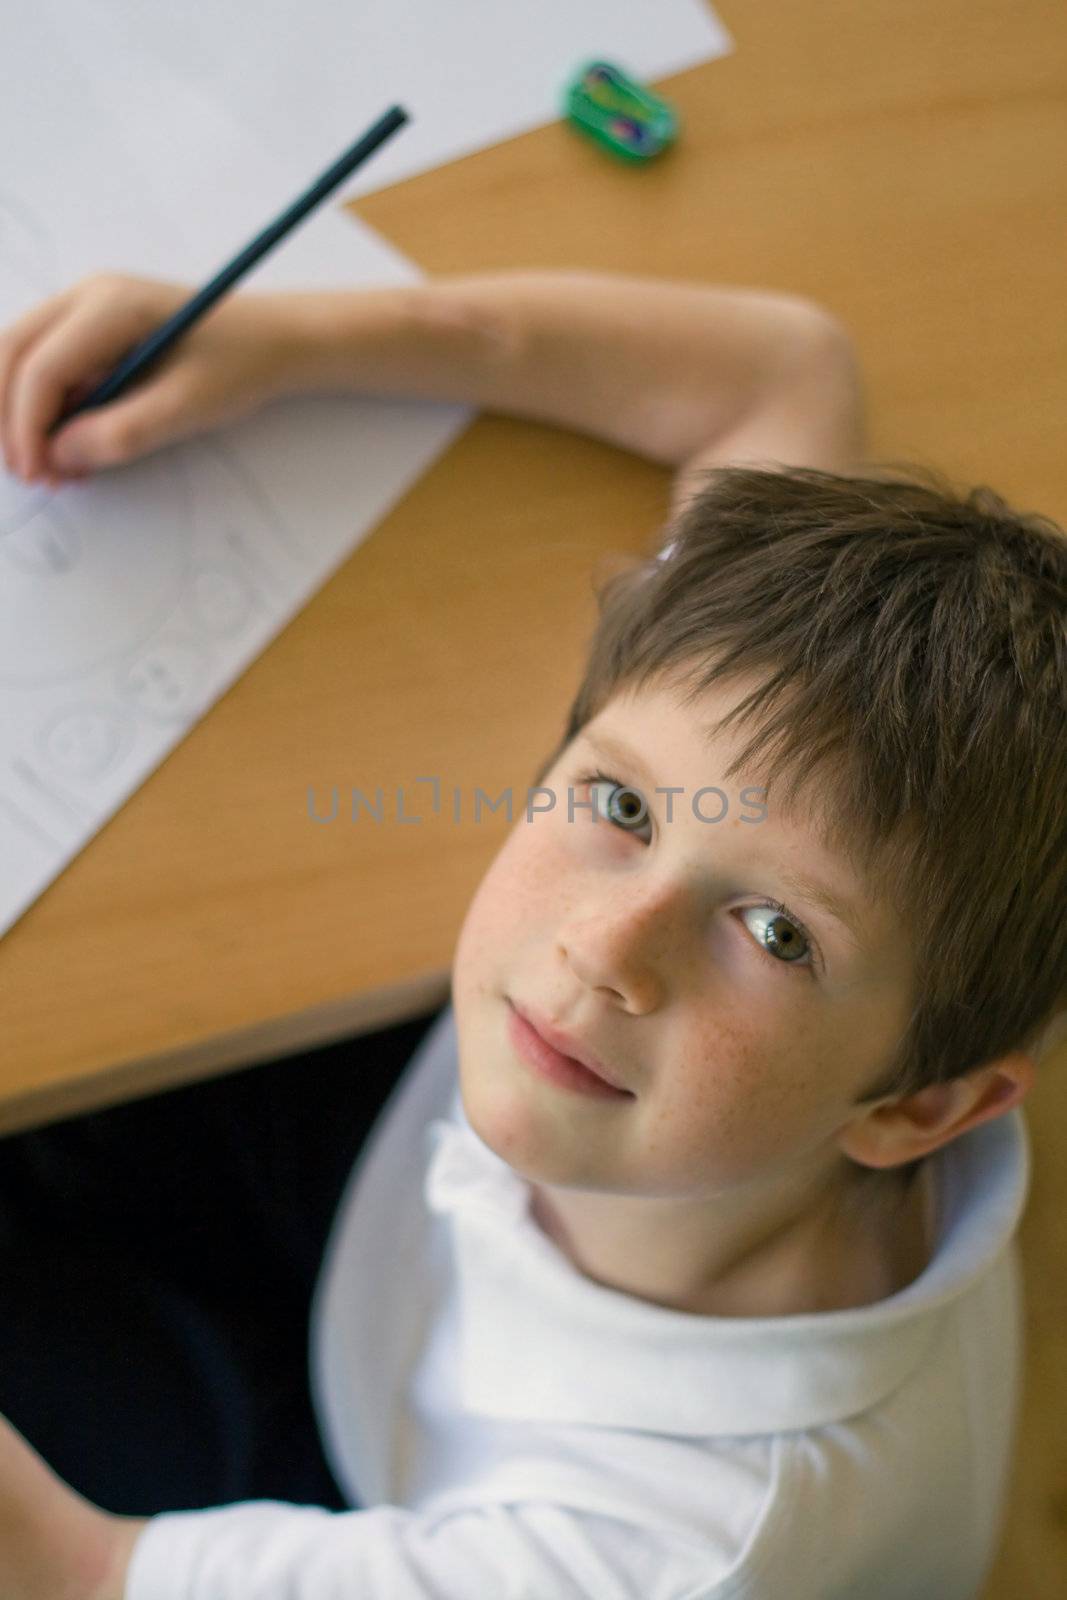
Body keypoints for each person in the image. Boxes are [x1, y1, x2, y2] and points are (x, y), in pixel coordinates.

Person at [0, 269, 1064, 1599]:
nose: (605, 948)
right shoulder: (786, 760)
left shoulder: (657, 1557)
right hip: (428, 1208)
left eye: (777, 933)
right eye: (621, 803)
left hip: (382, 1473)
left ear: (923, 1111)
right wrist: (276, 336)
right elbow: (780, 368)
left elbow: (62, 1570)